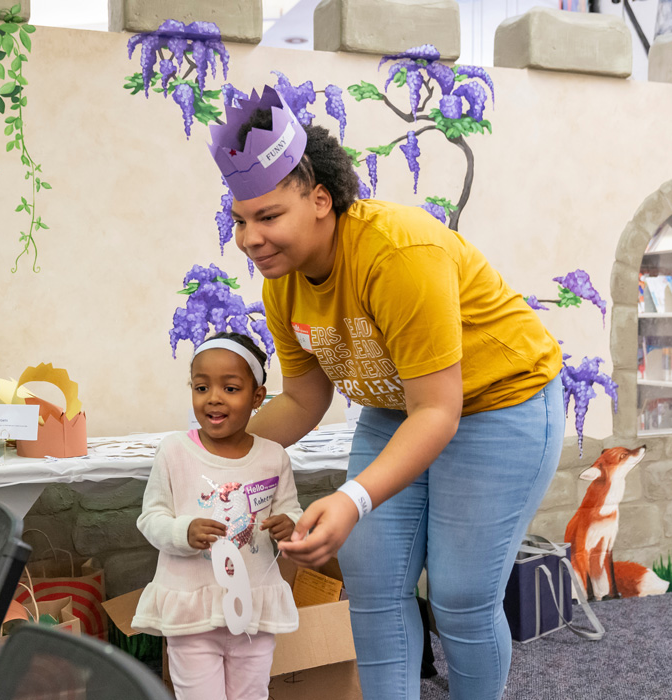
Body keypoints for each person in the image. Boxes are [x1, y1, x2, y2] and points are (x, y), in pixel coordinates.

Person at [208, 87, 566, 700]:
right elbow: (302, 400)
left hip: (502, 404)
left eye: (268, 217)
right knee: (373, 588)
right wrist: (212, 452)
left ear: (321, 200)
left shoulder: (398, 250)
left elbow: (439, 410)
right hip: (396, 409)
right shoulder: (282, 285)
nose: (250, 238)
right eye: (241, 220)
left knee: (458, 597)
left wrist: (350, 499)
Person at [132, 331, 303, 700]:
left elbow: (291, 512)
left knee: (252, 694)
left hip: (252, 610)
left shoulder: (274, 456)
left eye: (230, 388)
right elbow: (151, 518)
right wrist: (183, 532)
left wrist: (289, 527)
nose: (213, 398)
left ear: (257, 396)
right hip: (191, 611)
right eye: (201, 387)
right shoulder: (174, 451)